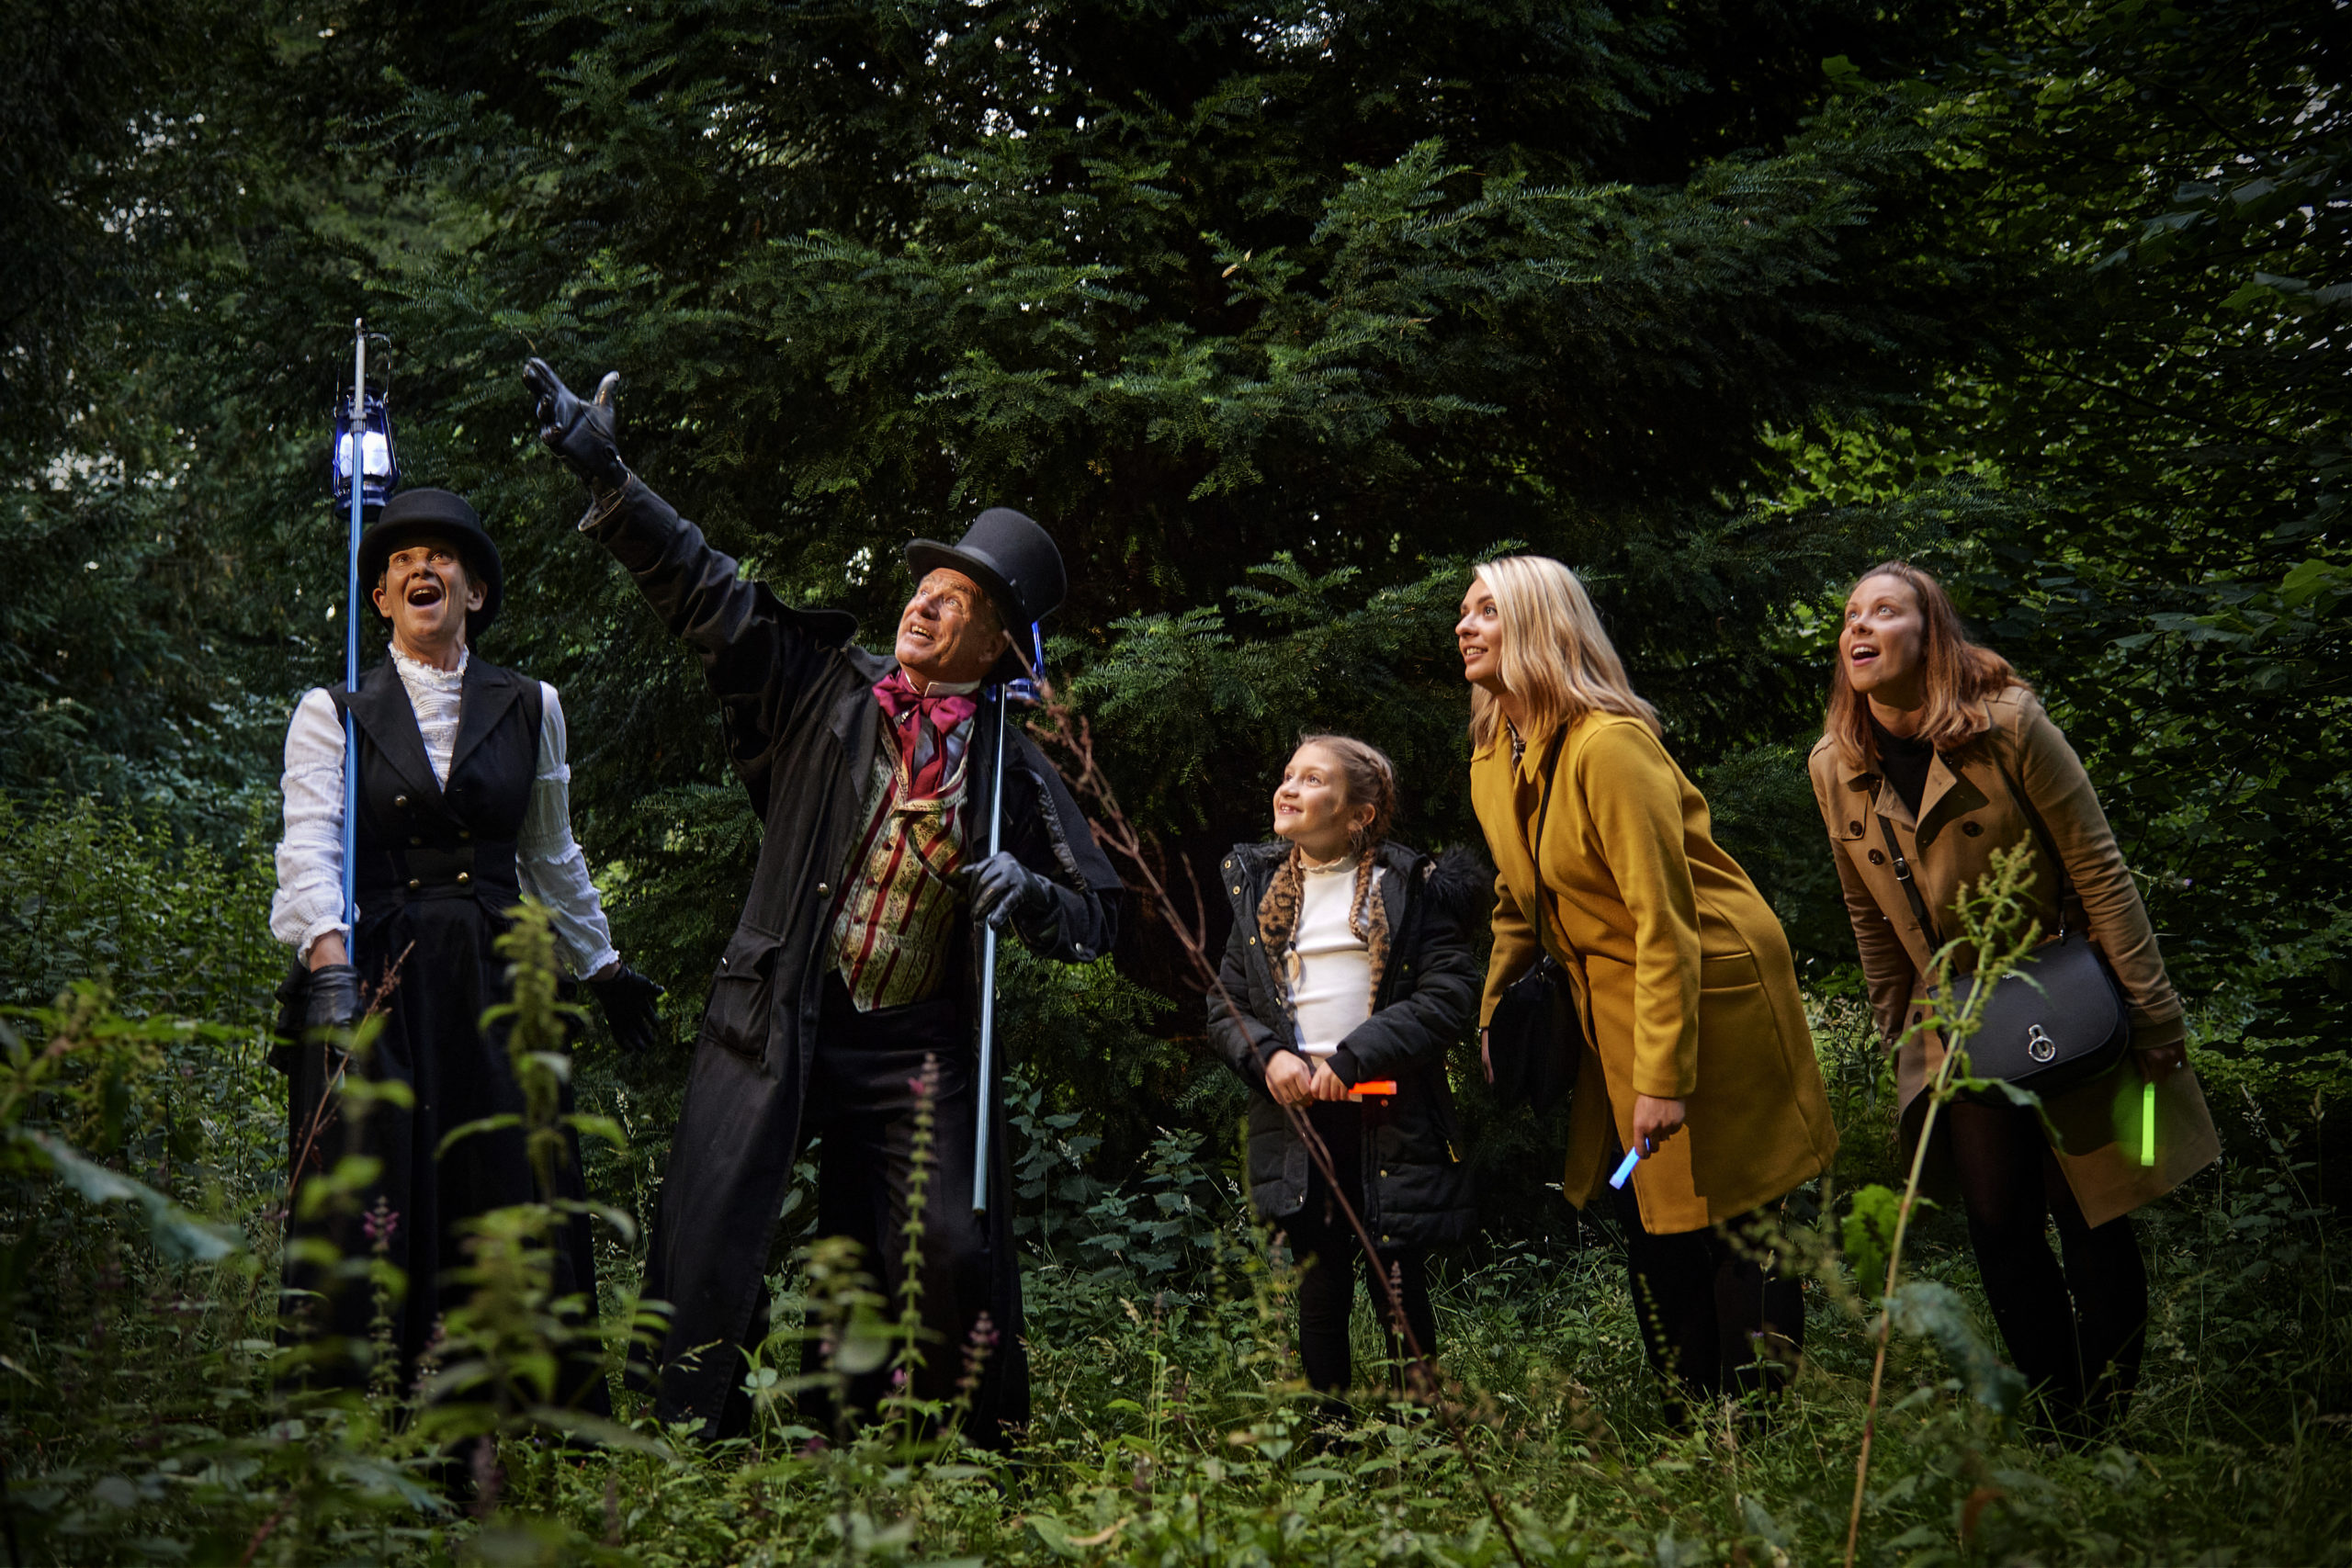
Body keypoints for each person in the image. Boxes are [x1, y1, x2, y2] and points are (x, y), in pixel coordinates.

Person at [521, 358, 1122, 1447]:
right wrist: (613, 483)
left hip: (915, 1049)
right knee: (717, 1235)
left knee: (944, 1246)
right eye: (925, 586)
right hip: (782, 1005)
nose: (926, 602)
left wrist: (1030, 893)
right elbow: (714, 598)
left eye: (961, 600)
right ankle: (695, 1444)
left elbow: (1098, 915)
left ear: (997, 645)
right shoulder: (827, 689)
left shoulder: (1013, 763)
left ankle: (926, 1447)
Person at [1808, 560, 2219, 1436]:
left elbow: (2099, 869)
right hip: (1952, 1019)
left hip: (2061, 991)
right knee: (1998, 1222)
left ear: (1932, 634)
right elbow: (1867, 914)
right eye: (1850, 615)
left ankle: (2101, 1418)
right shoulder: (1835, 765)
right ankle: (2054, 1409)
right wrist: (1898, 1037)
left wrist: (2154, 1014)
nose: (1860, 627)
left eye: (1886, 610)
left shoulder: (2009, 725)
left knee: (2094, 1210)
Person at [270, 486, 663, 1395]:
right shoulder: (333, 710)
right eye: (402, 561)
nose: (420, 569)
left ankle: (510, 1413)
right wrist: (328, 966)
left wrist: (597, 963)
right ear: (379, 599)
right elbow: (310, 844)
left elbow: (550, 851)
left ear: (474, 593)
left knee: (503, 1174)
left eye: (440, 557)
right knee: (368, 1187)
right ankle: (357, 1411)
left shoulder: (533, 705)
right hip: (374, 975)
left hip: (498, 973)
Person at [1457, 556, 1837, 1423]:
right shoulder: (1493, 754)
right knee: (1651, 1209)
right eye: (1463, 611)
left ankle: (1759, 1430)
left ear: (1539, 625)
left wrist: (1663, 1076)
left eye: (1485, 610)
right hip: (1615, 1011)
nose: (1463, 626)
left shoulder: (1609, 744)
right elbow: (1520, 898)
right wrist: (1493, 1009)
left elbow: (1663, 919)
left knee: (1736, 1216)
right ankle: (1691, 1419)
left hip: (1714, 994)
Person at [1206, 736, 1480, 1415]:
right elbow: (1227, 1001)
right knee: (1320, 1283)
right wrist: (1269, 1055)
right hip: (1300, 1117)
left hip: (1385, 1110)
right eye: (1287, 773)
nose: (1289, 787)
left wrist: (1356, 1055)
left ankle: (1417, 1431)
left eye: (1313, 778)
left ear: (1360, 812)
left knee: (1397, 1280)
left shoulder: (1409, 888)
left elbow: (1447, 996)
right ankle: (1332, 1436)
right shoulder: (1260, 889)